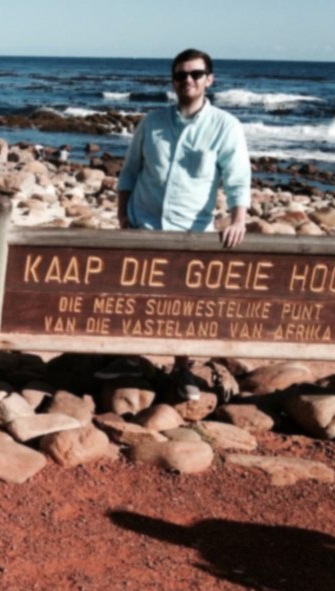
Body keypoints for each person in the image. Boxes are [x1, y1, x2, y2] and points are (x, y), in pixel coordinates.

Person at [101, 48, 252, 400]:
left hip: (191, 232)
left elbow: (237, 178)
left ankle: (182, 367)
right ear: (173, 81)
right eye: (181, 75)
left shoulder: (225, 126)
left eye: (196, 74)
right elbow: (130, 171)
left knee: (184, 303)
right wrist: (122, 215)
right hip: (144, 224)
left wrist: (238, 219)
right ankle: (129, 359)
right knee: (134, 294)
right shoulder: (152, 123)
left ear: (209, 79)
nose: (189, 80)